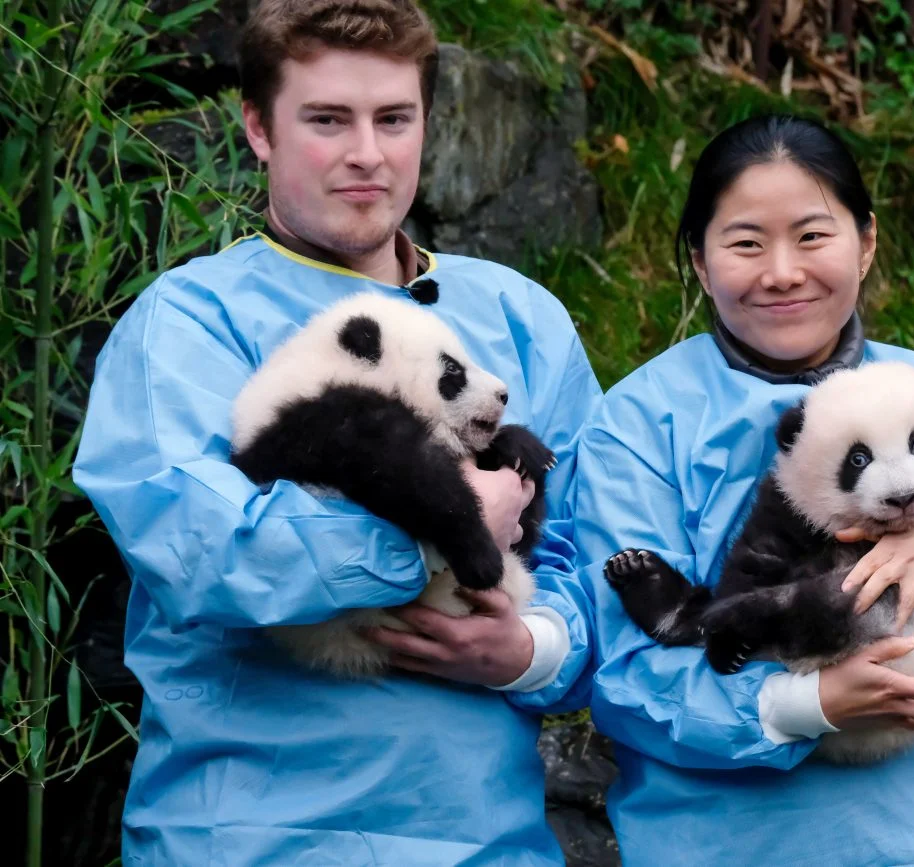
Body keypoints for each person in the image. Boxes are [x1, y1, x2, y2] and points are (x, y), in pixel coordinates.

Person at [72, 1, 601, 863]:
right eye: (326, 119)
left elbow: (599, 566)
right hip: (249, 839)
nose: (367, 153)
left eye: (394, 118)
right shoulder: (188, 324)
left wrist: (529, 649)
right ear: (258, 127)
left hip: (482, 840)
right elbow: (206, 552)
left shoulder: (521, 317)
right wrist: (440, 534)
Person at [568, 114, 914, 865]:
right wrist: (804, 705)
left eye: (813, 235)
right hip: (724, 841)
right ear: (698, 261)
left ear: (868, 243)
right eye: (746, 242)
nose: (782, 270)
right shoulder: (636, 424)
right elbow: (621, 674)